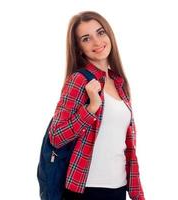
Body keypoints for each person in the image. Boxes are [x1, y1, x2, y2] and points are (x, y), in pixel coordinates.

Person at [48, 11, 145, 200]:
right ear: (79, 48)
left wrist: (137, 193)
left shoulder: (119, 83)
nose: (97, 42)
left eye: (100, 33)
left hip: (118, 188)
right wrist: (91, 108)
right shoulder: (78, 80)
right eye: (86, 38)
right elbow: (56, 136)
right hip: (87, 190)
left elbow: (127, 146)